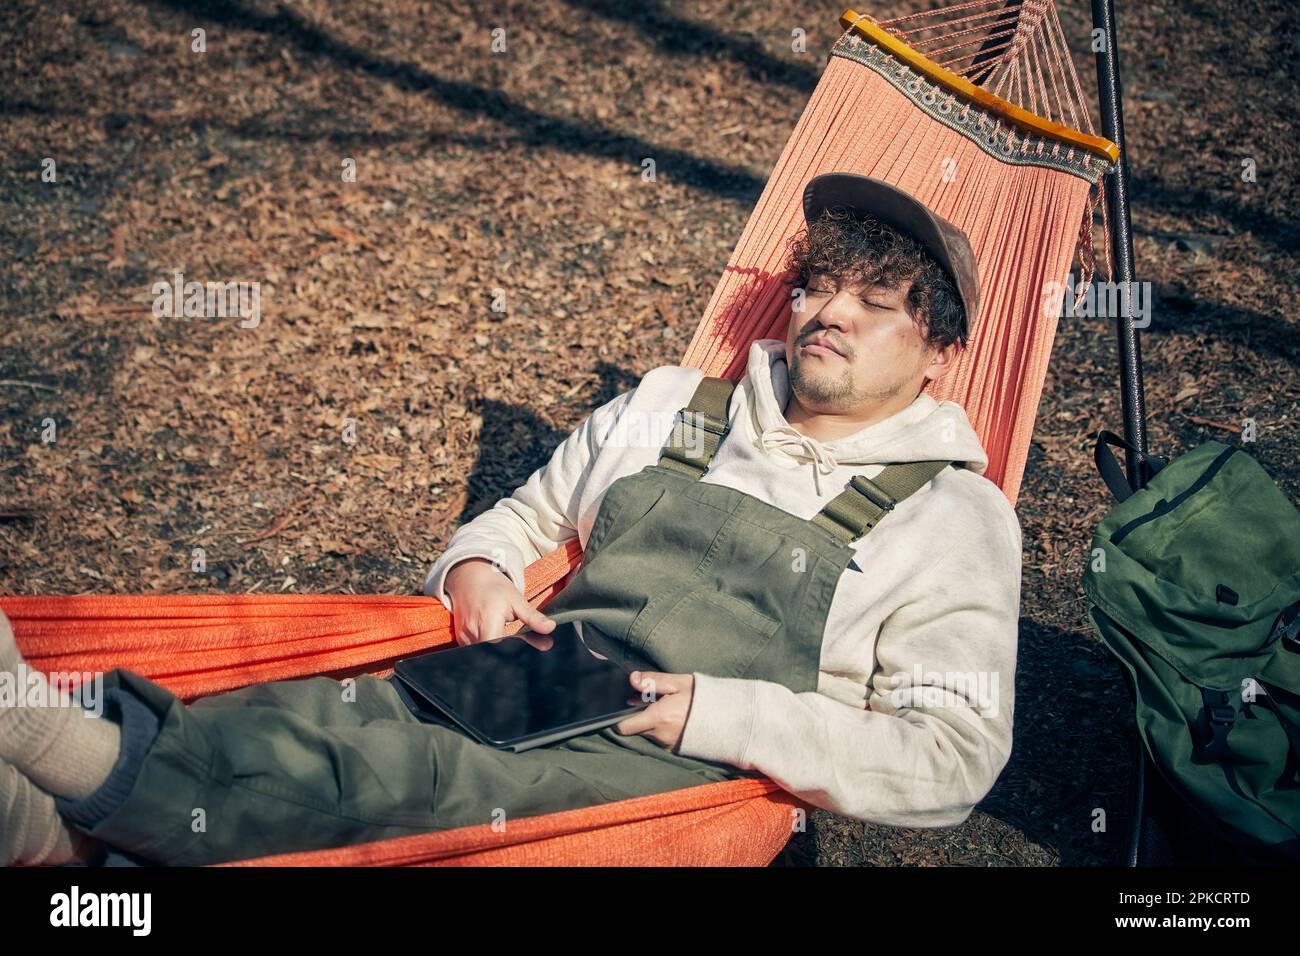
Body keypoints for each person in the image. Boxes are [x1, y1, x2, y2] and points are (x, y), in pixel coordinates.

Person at [0, 174, 1020, 867]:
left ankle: (41, 749)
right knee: (310, 712)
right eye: (816, 284)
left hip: (675, 767)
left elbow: (949, 758)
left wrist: (715, 713)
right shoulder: (673, 403)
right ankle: (59, 822)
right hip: (524, 678)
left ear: (938, 355)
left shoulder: (950, 514)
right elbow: (519, 518)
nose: (825, 312)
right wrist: (477, 569)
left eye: (874, 300)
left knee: (416, 774)